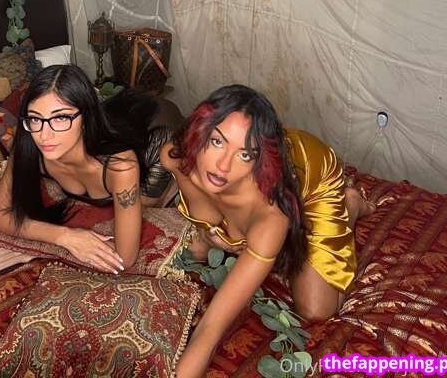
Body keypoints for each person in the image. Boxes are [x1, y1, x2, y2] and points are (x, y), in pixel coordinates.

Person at [160, 84, 375, 378]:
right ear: (201, 131)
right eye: (217, 141)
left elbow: (211, 328)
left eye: (244, 155)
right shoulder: (176, 158)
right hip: (268, 171)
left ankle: (349, 205)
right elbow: (205, 213)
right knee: (198, 249)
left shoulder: (270, 218)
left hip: (313, 176)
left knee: (316, 310)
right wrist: (211, 233)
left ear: (258, 161)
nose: (222, 166)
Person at [0, 64, 177, 273]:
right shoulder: (27, 146)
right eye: (35, 118)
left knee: (147, 204)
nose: (44, 135)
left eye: (60, 117)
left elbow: (125, 258)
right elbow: (0, 216)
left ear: (86, 117)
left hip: (157, 136)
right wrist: (65, 236)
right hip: (115, 121)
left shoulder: (120, 167)